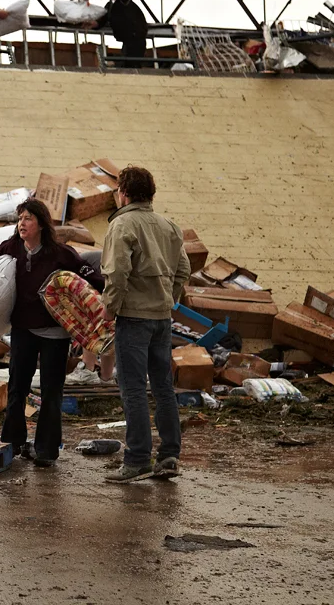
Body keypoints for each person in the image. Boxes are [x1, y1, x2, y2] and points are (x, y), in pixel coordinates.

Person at [0, 199, 104, 467]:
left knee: (51, 392)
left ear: (42, 224)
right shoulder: (9, 249)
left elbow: (91, 279)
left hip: (55, 334)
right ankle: (12, 443)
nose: (22, 223)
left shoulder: (61, 254)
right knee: (17, 388)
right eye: (20, 218)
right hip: (23, 329)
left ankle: (46, 451)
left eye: (28, 218)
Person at [100, 166, 191, 484]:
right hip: (161, 319)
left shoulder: (122, 224)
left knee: (134, 389)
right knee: (163, 388)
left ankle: (138, 459)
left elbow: (117, 271)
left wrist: (109, 308)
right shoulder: (169, 226)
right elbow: (183, 268)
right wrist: (168, 297)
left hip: (134, 319)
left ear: (124, 193)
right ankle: (169, 456)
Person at [84, 0, 148, 65]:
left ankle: (114, 63)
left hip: (136, 37)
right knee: (128, 63)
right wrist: (91, 24)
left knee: (131, 63)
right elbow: (102, 21)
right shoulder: (110, 6)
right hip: (127, 40)